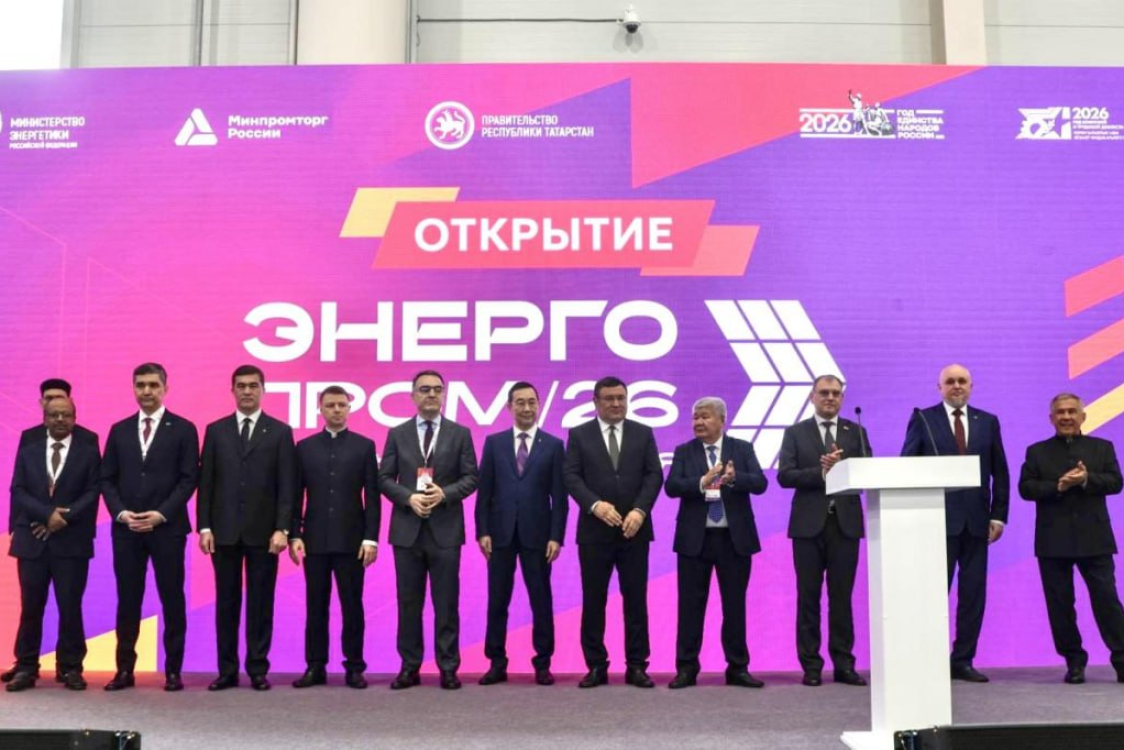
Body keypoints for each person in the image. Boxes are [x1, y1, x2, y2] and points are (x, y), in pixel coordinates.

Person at [901, 363, 1009, 682]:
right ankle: (929, 659)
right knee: (934, 596)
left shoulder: (987, 421)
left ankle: (962, 660)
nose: (957, 386)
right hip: (936, 521)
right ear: (940, 388)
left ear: (971, 386)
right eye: (950, 382)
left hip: (977, 523)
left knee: (973, 595)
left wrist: (998, 515)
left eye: (962, 381)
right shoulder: (924, 419)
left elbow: (1000, 472)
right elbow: (907, 467)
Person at [197, 364, 297, 691]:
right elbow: (206, 483)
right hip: (223, 532)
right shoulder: (216, 431)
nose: (247, 391)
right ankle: (227, 670)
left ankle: (257, 669)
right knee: (226, 604)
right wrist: (204, 526)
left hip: (265, 534)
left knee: (260, 604)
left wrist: (283, 529)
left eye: (253, 385)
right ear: (232, 390)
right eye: (241, 386)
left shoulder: (280, 432)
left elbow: (287, 486)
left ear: (263, 390)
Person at [101, 363, 199, 692]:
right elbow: (106, 478)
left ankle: (173, 671)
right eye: (141, 385)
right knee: (128, 600)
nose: (147, 391)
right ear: (133, 388)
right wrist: (121, 513)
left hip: (167, 529)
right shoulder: (119, 430)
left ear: (165, 388)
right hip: (126, 530)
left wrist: (161, 514)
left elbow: (189, 479)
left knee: (172, 599)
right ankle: (124, 670)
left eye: (153, 385)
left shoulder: (184, 429)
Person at [378, 370, 478, 690]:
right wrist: (408, 497)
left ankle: (448, 667)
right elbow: (383, 478)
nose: (432, 394)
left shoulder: (460, 433)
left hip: (446, 531)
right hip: (407, 530)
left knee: (446, 603)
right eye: (425, 389)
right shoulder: (397, 434)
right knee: (409, 603)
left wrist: (444, 494)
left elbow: (471, 477)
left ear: (444, 395)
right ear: (413, 395)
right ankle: (409, 667)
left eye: (437, 389)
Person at [564, 376, 663, 689]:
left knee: (636, 600)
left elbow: (654, 475)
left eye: (621, 397)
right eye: (609, 398)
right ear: (595, 402)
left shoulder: (643, 433)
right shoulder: (579, 435)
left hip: (635, 530)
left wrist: (640, 510)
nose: (616, 403)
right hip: (594, 532)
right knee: (594, 601)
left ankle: (637, 665)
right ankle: (596, 665)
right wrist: (594, 505)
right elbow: (571, 476)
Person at [1018, 393, 1124, 684]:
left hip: (1095, 539)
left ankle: (1122, 659)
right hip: (1053, 540)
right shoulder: (1036, 451)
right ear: (1051, 418)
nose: (1066, 417)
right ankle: (1074, 662)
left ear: (1082, 416)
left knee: (1107, 600)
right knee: (1060, 606)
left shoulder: (1102, 447)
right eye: (1060, 412)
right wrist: (1059, 486)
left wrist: (1087, 479)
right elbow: (1026, 488)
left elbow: (1116, 482)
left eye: (1072, 412)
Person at [665, 396, 768, 689]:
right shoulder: (684, 451)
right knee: (690, 607)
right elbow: (671, 487)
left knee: (734, 606)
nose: (698, 422)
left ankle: (738, 668)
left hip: (734, 540)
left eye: (705, 416)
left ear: (722, 420)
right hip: (694, 541)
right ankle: (686, 668)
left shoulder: (741, 448)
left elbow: (760, 483)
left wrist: (734, 479)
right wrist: (702, 481)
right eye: (695, 417)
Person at [3, 379, 98, 685]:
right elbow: (18, 489)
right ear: (44, 417)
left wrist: (62, 518)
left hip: (71, 541)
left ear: (74, 417)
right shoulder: (29, 446)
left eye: (65, 415)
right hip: (32, 539)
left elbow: (93, 490)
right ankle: (26, 666)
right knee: (31, 607)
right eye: (54, 414)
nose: (60, 419)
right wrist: (46, 516)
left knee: (70, 606)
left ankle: (70, 667)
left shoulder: (88, 447)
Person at [777, 375, 869, 687]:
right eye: (824, 393)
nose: (830, 398)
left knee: (841, 598)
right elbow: (785, 476)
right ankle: (811, 666)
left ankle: (844, 664)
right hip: (808, 526)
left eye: (836, 393)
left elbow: (867, 473)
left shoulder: (856, 431)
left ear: (842, 398)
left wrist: (841, 470)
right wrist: (822, 472)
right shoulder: (795, 432)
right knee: (809, 597)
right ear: (812, 397)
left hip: (845, 525)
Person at [475, 381, 568, 686]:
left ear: (538, 405)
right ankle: (496, 662)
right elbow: (484, 492)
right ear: (509, 407)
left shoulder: (553, 445)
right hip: (499, 534)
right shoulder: (494, 443)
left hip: (538, 535)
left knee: (540, 600)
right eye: (520, 403)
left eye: (532, 402)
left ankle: (543, 662)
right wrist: (482, 531)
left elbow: (560, 498)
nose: (527, 408)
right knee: (497, 600)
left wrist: (556, 536)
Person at [289, 386, 380, 690]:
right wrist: (295, 533)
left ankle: (354, 667)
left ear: (349, 408)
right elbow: (295, 495)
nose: (337, 410)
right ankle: (315, 666)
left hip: (352, 541)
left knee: (352, 605)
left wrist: (371, 538)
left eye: (342, 404)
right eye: (330, 405)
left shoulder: (364, 446)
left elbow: (373, 498)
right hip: (314, 540)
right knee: (315, 606)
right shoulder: (304, 447)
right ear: (321, 409)